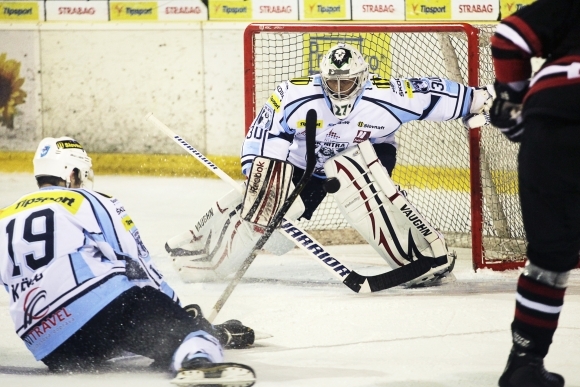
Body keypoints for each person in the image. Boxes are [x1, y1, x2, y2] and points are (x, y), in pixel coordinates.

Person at [166, 42, 495, 288]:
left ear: (362, 78)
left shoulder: (387, 97)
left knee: (357, 179)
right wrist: (261, 180)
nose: (338, 90)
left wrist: (478, 102)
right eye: (332, 82)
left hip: (368, 155)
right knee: (274, 214)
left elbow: (432, 94)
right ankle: (203, 252)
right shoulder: (294, 95)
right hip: (303, 164)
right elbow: (264, 136)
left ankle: (414, 257)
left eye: (346, 83)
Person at [0, 136, 256, 387]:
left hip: (52, 348)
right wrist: (181, 317)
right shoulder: (90, 200)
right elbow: (137, 265)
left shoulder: (5, 215)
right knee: (188, 335)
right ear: (72, 173)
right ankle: (197, 360)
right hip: (102, 313)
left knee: (122, 334)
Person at [489, 1, 580, 386]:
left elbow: (509, 36)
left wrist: (512, 102)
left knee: (549, 259)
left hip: (552, 122)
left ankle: (524, 364)